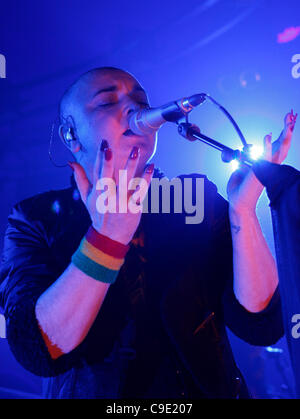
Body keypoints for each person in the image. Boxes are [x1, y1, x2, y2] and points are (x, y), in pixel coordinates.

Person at [0, 67, 296, 399]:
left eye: (140, 100)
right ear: (71, 135)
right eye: (107, 101)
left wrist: (242, 210)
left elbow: (260, 323)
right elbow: (36, 349)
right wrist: (106, 240)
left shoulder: (195, 198)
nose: (133, 108)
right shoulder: (34, 219)